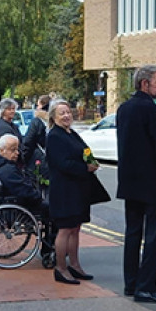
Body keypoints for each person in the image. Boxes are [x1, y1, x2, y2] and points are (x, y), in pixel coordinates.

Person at [116, 65, 156, 303]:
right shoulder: (150, 109)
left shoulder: (124, 109)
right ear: (144, 84)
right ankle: (147, 287)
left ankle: (131, 283)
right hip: (153, 183)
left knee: (133, 233)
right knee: (153, 236)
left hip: (131, 182)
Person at [46, 98, 103, 285]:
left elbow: (85, 151)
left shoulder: (72, 133)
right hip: (64, 190)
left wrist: (92, 161)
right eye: (61, 113)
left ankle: (75, 265)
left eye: (68, 112)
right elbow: (62, 164)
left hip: (78, 189)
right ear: (53, 117)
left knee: (76, 228)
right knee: (65, 229)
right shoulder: (54, 136)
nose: (66, 115)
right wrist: (85, 168)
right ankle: (61, 268)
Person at [0, 134, 46, 216]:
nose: (17, 153)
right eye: (13, 150)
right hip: (17, 207)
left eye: (17, 149)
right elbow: (24, 190)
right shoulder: (7, 170)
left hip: (9, 204)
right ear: (1, 150)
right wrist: (38, 196)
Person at [21, 95, 50, 181]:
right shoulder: (56, 121)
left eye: (38, 105)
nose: (37, 107)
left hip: (39, 161)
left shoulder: (37, 121)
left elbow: (28, 142)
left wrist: (23, 159)